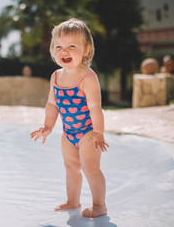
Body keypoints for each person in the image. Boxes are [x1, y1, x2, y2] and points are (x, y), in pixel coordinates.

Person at [30, 18, 109, 218]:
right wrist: (48, 126)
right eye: (59, 46)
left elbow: (95, 108)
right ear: (52, 49)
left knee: (90, 168)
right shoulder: (56, 76)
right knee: (71, 168)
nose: (64, 51)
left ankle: (99, 205)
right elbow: (52, 104)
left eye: (72, 46)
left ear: (86, 49)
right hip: (68, 132)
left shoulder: (88, 78)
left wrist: (98, 133)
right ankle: (73, 200)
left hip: (88, 133)